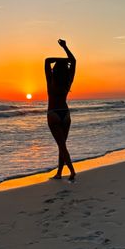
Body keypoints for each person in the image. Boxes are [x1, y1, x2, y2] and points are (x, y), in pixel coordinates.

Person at [45, 39, 77, 181]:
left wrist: (62, 60)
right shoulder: (68, 79)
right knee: (62, 145)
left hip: (53, 114)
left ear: (55, 69)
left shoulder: (51, 79)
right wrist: (65, 47)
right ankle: (59, 173)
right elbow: (74, 61)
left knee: (62, 146)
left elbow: (47, 60)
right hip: (65, 114)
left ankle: (72, 171)